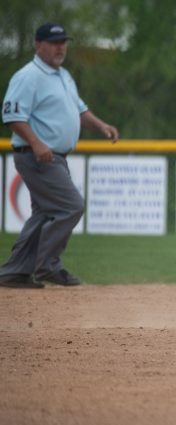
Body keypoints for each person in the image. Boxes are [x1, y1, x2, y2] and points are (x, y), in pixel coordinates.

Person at [0, 22, 119, 289]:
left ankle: (15, 271)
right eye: (54, 42)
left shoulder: (63, 75)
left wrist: (101, 126)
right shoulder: (28, 76)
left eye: (63, 42)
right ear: (37, 45)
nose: (60, 47)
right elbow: (12, 116)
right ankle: (47, 266)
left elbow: (79, 110)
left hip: (54, 157)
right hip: (38, 156)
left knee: (44, 213)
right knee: (71, 206)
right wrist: (36, 143)